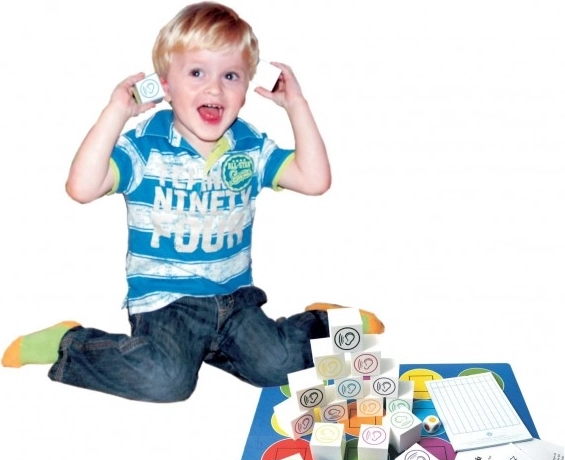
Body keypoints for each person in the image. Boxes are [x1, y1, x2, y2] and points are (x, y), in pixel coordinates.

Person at [2, 2, 384, 402]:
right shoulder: (145, 147)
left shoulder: (249, 146)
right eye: (197, 73)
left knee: (276, 366)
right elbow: (81, 188)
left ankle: (323, 322)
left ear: (245, 89)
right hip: (166, 304)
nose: (214, 89)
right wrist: (116, 112)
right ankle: (68, 343)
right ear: (165, 86)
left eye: (230, 76)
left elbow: (314, 180)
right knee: (166, 382)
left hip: (235, 301)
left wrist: (296, 107)